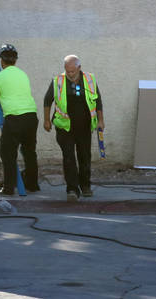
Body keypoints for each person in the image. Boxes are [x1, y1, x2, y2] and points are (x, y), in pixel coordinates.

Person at [43, 54, 104, 202]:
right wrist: (46, 120)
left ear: (79, 68)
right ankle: (72, 189)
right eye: (67, 70)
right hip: (65, 127)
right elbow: (47, 100)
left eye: (72, 71)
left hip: (84, 127)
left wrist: (101, 120)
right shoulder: (58, 81)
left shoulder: (89, 80)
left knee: (84, 156)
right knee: (69, 157)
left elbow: (98, 101)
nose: (69, 74)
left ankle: (85, 186)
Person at [0, 43, 40, 195]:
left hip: (14, 118)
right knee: (29, 152)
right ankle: (33, 185)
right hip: (31, 116)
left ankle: (9, 188)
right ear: (15, 60)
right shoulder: (23, 74)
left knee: (8, 153)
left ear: (1, 61)